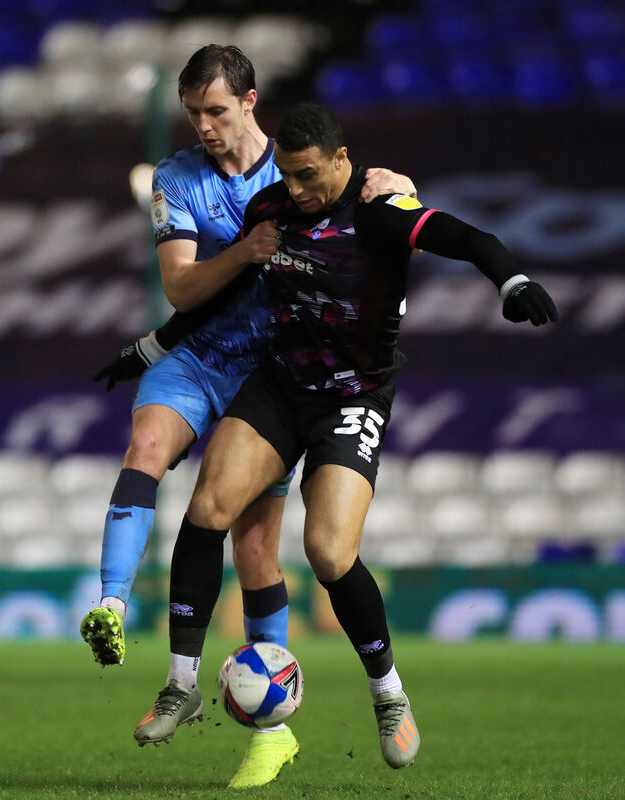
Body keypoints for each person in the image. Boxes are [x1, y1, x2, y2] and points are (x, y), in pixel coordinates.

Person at [143, 101, 558, 772]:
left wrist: (512, 281)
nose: (298, 191)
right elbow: (226, 291)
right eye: (288, 175)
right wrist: (155, 345)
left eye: (309, 176)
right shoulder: (270, 210)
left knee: (329, 552)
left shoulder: (379, 209)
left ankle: (388, 693)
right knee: (207, 508)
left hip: (353, 396)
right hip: (280, 386)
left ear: (342, 160)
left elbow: (470, 239)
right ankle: (182, 684)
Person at [80, 45, 417, 788]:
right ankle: (114, 609)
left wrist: (398, 189)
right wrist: (243, 255)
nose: (203, 125)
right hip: (198, 358)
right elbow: (184, 289)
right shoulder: (176, 179)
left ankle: (274, 732)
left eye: (217, 111)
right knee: (147, 445)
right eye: (194, 112)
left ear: (251, 102)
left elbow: (375, 209)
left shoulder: (295, 171)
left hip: (271, 372)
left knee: (257, 553)